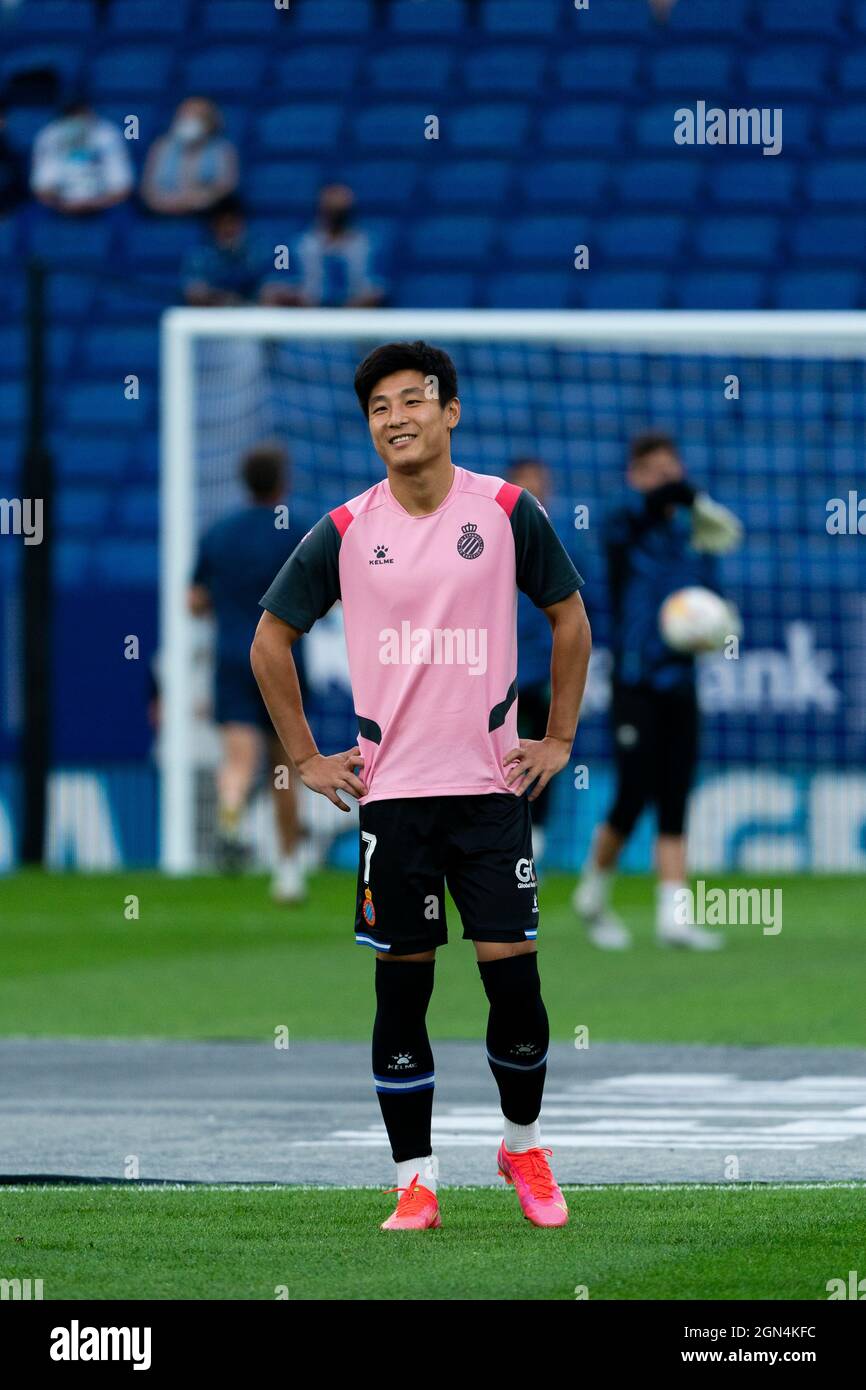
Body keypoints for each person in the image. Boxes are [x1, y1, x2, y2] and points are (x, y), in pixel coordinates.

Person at [252, 341, 591, 1231]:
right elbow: (268, 640)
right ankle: (415, 1179)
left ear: (450, 412)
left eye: (413, 400)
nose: (396, 418)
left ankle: (522, 1147)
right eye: (378, 409)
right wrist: (308, 757)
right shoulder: (346, 529)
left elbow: (569, 618)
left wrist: (557, 736)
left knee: (513, 985)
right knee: (402, 993)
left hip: (488, 793)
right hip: (392, 801)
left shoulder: (510, 511)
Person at [573, 431, 742, 952]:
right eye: (655, 470)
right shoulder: (624, 524)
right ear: (636, 476)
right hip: (635, 681)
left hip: (681, 682)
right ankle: (592, 893)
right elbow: (650, 506)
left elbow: (714, 608)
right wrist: (686, 494)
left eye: (673, 468)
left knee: (674, 794)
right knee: (633, 791)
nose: (666, 478)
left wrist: (714, 629)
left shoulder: (693, 538)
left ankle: (674, 917)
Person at [189, 442, 310, 902]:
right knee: (287, 766)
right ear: (283, 481)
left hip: (232, 656)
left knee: (239, 758)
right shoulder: (297, 533)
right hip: (282, 659)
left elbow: (194, 600)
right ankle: (288, 872)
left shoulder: (220, 533)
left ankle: (231, 810)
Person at [505, 457, 562, 863]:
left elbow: (580, 611)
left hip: (544, 671)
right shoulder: (489, 539)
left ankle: (535, 840)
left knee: (543, 751)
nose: (535, 491)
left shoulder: (562, 541)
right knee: (501, 757)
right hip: (500, 674)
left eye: (540, 483)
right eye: (527, 484)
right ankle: (506, 835)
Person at [262, 183, 384, 308]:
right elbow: (273, 286)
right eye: (331, 209)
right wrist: (295, 295)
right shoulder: (293, 247)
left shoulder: (370, 246)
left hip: (358, 319)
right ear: (321, 209)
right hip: (306, 318)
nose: (336, 214)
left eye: (341, 211)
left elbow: (380, 288)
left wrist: (353, 305)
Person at [30, 98, 132, 214]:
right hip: (60, 209)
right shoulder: (50, 135)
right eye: (72, 117)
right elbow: (42, 188)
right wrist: (64, 206)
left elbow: (122, 187)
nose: (77, 121)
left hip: (104, 208)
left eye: (82, 115)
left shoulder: (108, 134)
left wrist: (96, 204)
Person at [140, 97, 238, 216]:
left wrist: (195, 201)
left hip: (206, 213)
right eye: (184, 115)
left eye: (196, 116)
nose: (188, 120)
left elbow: (225, 187)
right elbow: (148, 189)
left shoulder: (223, 150)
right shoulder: (161, 147)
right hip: (163, 210)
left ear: (210, 120)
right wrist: (168, 204)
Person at [181, 195, 265, 305]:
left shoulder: (259, 251)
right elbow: (193, 292)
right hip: (212, 317)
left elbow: (272, 288)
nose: (228, 229)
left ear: (242, 224)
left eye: (232, 223)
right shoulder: (200, 257)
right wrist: (224, 298)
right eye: (222, 224)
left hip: (255, 314)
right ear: (213, 227)